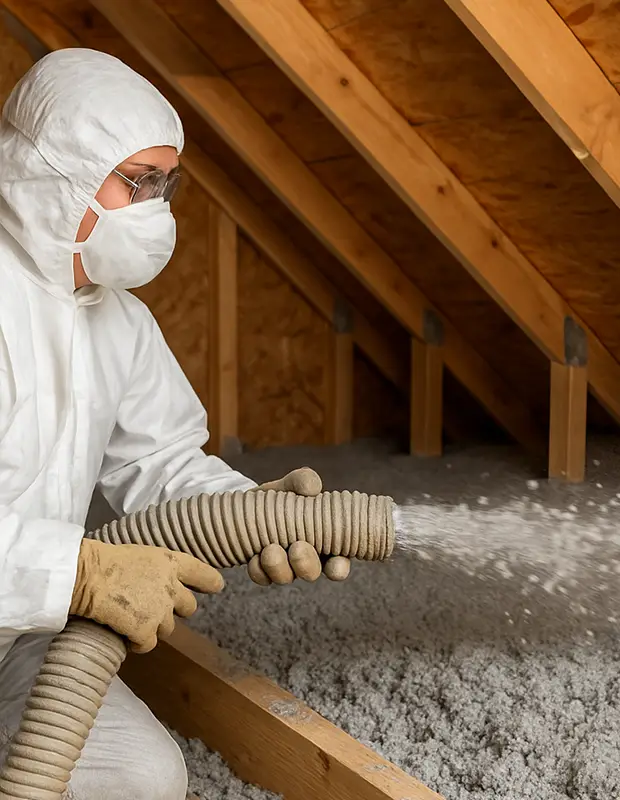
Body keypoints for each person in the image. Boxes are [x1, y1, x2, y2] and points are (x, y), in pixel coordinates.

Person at [0, 48, 349, 799]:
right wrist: (82, 571)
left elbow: (160, 465)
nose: (159, 206)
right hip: (37, 592)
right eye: (139, 182)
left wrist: (255, 516)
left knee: (141, 779)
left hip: (16, 635)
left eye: (167, 182)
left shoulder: (119, 321)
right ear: (57, 175)